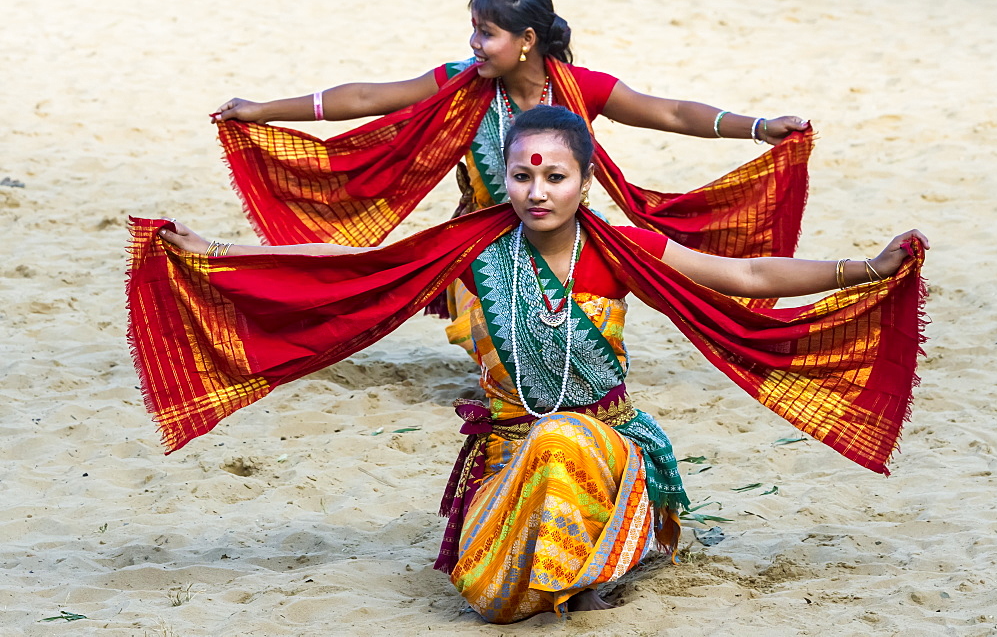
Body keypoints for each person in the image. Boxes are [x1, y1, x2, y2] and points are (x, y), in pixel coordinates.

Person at [136, 106, 927, 624]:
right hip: (508, 453)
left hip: (603, 446)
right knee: (491, 587)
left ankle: (610, 540)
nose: (536, 190)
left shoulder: (618, 250)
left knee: (564, 446)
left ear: (586, 182)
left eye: (555, 176)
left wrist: (864, 267)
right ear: (503, 178)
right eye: (521, 175)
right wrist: (216, 254)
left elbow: (749, 279)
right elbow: (350, 269)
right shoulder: (473, 246)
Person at [208, 0, 814, 352]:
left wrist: (758, 128)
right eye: (474, 31)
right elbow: (367, 98)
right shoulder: (458, 83)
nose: (475, 44)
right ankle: (221, 263)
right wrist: (263, 110)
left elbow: (675, 113)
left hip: (566, 242)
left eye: (488, 33)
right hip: (479, 243)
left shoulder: (583, 87)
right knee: (367, 271)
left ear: (527, 40)